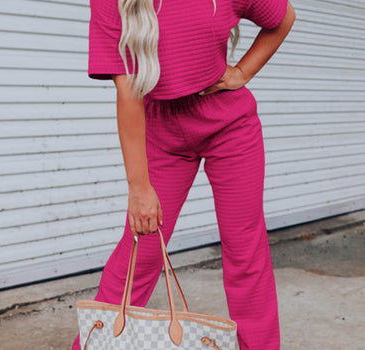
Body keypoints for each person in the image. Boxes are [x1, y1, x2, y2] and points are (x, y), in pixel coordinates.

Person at [72, 0, 296, 349]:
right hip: (161, 128)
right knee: (141, 247)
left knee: (244, 250)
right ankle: (93, 344)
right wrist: (139, 188)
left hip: (229, 124)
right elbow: (128, 89)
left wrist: (243, 72)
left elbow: (283, 18)